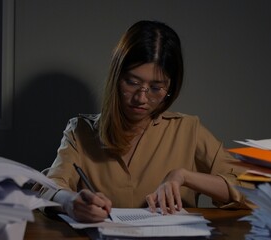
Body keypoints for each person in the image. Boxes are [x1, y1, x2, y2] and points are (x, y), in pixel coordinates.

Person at [36, 20, 254, 223]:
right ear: (116, 77)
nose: (141, 98)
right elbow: (47, 187)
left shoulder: (188, 130)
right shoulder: (80, 131)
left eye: (156, 88)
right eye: (132, 82)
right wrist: (70, 203)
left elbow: (254, 188)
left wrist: (184, 177)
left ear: (171, 88)